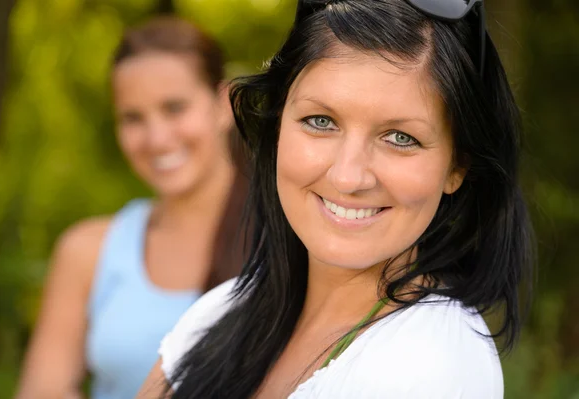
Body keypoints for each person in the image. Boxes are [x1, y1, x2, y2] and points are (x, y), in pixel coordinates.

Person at [139, 0, 534, 398]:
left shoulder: (432, 366)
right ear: (277, 128)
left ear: (456, 166)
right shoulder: (218, 314)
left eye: (400, 138)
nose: (348, 177)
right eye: (321, 122)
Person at [15, 17, 248, 399]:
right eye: (133, 118)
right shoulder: (87, 250)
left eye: (174, 108)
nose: (156, 138)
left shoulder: (291, 237)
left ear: (224, 104)